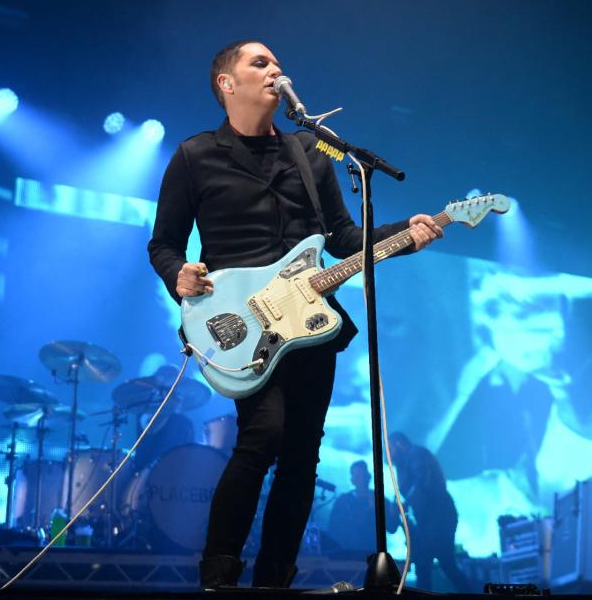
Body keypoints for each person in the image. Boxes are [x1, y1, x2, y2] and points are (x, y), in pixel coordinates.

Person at [147, 40, 442, 588]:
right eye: (260, 63)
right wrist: (178, 275)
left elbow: (345, 238)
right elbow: (162, 243)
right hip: (240, 322)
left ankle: (276, 577)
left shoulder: (310, 151)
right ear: (226, 84)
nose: (275, 69)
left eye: (279, 63)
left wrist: (405, 234)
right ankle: (218, 575)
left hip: (308, 323)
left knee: (303, 452)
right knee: (263, 436)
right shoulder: (196, 155)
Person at [388, 432, 471, 592]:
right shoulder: (404, 464)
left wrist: (404, 504)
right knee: (426, 566)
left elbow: (421, 481)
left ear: (399, 444)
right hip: (428, 522)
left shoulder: (416, 454)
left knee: (444, 563)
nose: (388, 453)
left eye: (390, 447)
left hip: (439, 518)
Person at [328, 460, 399, 552]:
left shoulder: (380, 500)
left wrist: (393, 514)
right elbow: (333, 528)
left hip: (372, 554)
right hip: (345, 554)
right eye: (357, 476)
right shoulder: (343, 501)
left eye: (362, 476)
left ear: (368, 477)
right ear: (352, 480)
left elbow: (392, 527)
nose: (361, 480)